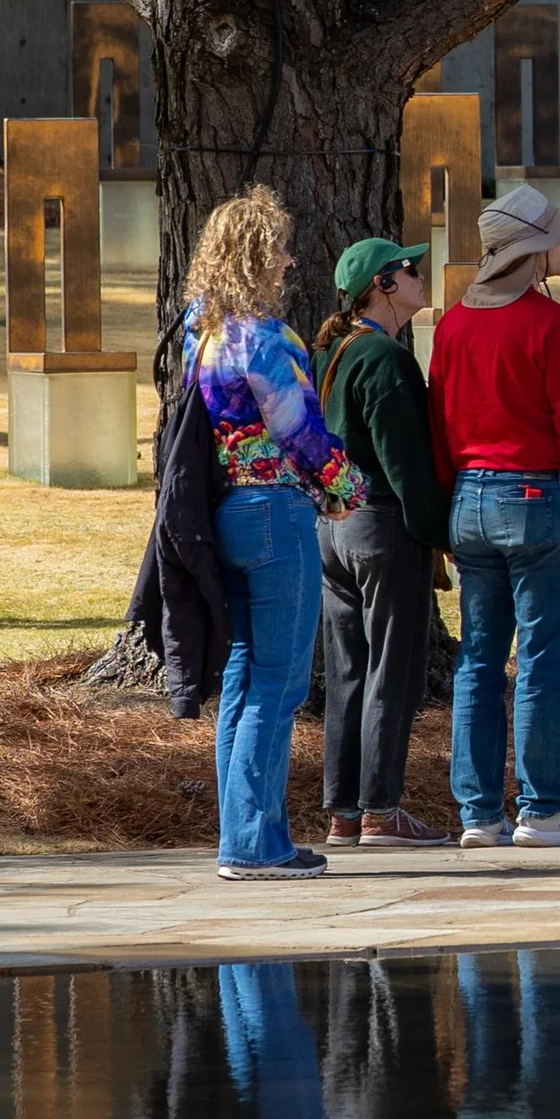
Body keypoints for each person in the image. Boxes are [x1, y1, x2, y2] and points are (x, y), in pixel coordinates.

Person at [180, 185, 367, 880]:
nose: (290, 260)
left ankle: (250, 835)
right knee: (279, 684)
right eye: (282, 247)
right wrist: (347, 491)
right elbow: (302, 435)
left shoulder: (201, 333)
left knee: (242, 677)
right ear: (259, 255)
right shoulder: (264, 338)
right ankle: (254, 845)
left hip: (226, 511)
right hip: (275, 514)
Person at [426, 184, 560, 849]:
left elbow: (440, 424)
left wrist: (453, 499)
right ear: (533, 251)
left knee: (478, 660)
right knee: (542, 661)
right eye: (556, 237)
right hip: (538, 498)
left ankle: (478, 813)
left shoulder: (452, 324)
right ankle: (544, 809)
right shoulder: (553, 325)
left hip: (469, 498)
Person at [312, 237, 453, 848]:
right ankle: (379, 811)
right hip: (381, 524)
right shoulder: (386, 360)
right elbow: (407, 467)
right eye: (409, 270)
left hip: (333, 526)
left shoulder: (336, 350)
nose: (420, 277)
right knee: (392, 671)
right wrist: (437, 535)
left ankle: (344, 811)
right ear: (383, 286)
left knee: (348, 669)